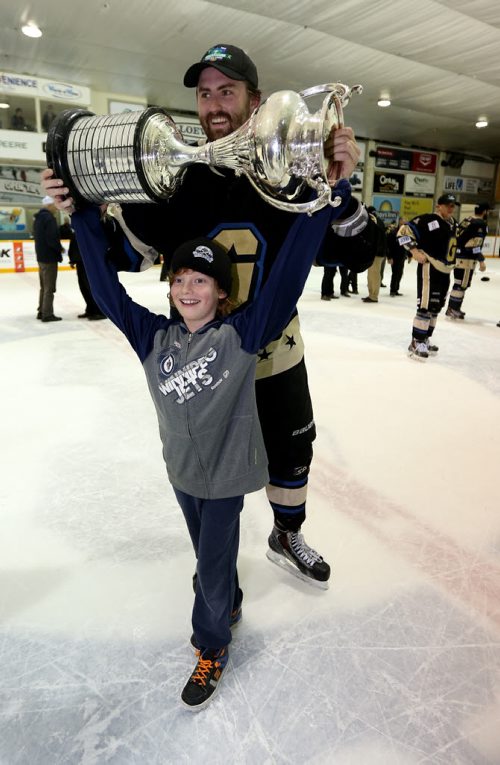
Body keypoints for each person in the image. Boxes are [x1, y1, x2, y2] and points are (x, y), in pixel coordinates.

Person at [42, 42, 380, 588]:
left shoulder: (293, 173)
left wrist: (338, 181)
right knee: (211, 470)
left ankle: (285, 532)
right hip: (208, 365)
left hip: (274, 356)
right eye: (204, 94)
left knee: (293, 449)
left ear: (257, 100)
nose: (215, 105)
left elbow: (361, 252)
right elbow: (121, 257)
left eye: (228, 91)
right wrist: (75, 206)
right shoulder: (175, 181)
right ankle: (219, 568)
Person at [71, 182, 352, 709]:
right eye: (179, 278)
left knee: (211, 564)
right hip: (181, 473)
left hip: (224, 479)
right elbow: (108, 294)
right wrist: (85, 218)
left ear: (222, 291)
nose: (188, 288)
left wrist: (323, 201)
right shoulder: (153, 338)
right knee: (207, 551)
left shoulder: (242, 336)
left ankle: (212, 643)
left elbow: (287, 278)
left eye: (201, 279)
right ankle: (232, 604)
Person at [398, 193, 458, 360]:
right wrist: (414, 251)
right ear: (439, 206)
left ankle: (425, 337)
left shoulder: (453, 224)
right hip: (430, 268)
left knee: (435, 308)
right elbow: (403, 233)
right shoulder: (427, 220)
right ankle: (416, 341)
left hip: (445, 271)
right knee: (425, 305)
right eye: (448, 205)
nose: (451, 208)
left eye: (453, 206)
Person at [445, 203, 490, 319]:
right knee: (461, 284)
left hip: (458, 256)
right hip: (467, 258)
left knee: (459, 283)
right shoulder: (480, 224)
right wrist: (481, 260)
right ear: (484, 212)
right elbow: (475, 244)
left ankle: (453, 308)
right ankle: (453, 309)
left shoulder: (467, 220)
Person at [34, 196, 64, 322]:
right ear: (49, 205)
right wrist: (59, 249)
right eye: (54, 205)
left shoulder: (38, 218)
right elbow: (52, 239)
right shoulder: (49, 219)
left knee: (43, 286)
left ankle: (41, 310)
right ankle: (47, 314)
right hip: (49, 258)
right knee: (49, 288)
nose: (56, 208)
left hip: (41, 257)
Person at [67, 225, 107, 320]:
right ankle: (90, 309)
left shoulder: (88, 227)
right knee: (84, 288)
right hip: (80, 262)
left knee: (90, 287)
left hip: (88, 262)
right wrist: (73, 259)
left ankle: (99, 311)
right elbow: (74, 245)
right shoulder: (77, 228)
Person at [362, 207, 387, 303]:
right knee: (371, 274)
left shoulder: (375, 221)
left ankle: (374, 296)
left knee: (375, 274)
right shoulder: (377, 221)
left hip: (377, 253)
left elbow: (375, 238)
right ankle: (371, 294)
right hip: (375, 252)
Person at [386, 218, 408, 296]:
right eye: (402, 223)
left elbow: (408, 245)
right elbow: (388, 245)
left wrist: (409, 255)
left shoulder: (406, 233)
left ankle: (396, 289)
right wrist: (389, 257)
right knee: (395, 273)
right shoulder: (393, 233)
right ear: (399, 223)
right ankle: (392, 290)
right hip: (394, 256)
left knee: (400, 273)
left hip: (402, 256)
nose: (404, 225)